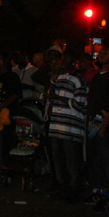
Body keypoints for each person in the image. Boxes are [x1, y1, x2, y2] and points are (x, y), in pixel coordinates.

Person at [86, 44, 109, 213]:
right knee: (95, 159)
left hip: (105, 126)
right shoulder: (97, 77)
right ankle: (98, 191)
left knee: (106, 160)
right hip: (94, 124)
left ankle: (106, 195)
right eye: (101, 52)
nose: (102, 55)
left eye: (106, 52)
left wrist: (104, 126)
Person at [47, 51, 88, 203]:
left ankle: (75, 191)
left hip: (71, 128)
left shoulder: (78, 79)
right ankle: (63, 189)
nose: (61, 62)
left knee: (73, 161)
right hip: (57, 126)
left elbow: (79, 104)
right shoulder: (60, 77)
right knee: (59, 161)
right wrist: (52, 81)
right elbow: (50, 95)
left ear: (72, 61)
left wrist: (59, 98)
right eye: (61, 60)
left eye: (65, 60)